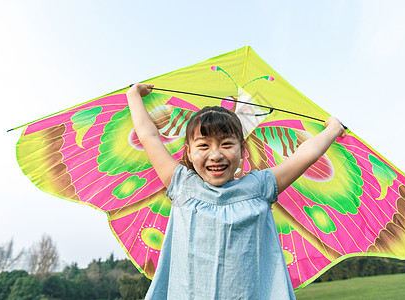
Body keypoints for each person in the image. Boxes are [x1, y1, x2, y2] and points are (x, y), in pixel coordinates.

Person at [127, 83, 345, 300]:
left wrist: (333, 129)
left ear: (242, 150)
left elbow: (305, 154)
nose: (216, 155)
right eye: (203, 145)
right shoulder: (182, 184)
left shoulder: (260, 187)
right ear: (190, 153)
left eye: (226, 144)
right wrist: (134, 95)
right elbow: (149, 137)